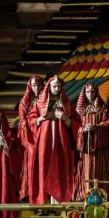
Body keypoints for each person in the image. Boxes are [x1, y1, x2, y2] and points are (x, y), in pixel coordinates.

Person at [31, 75, 78, 204]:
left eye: (59, 86)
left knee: (59, 168)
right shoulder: (40, 102)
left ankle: (57, 201)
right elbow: (31, 119)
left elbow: (75, 123)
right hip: (44, 141)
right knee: (44, 168)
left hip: (61, 141)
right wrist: (40, 119)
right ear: (49, 87)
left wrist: (64, 118)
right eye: (54, 86)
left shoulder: (66, 103)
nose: (57, 89)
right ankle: (43, 202)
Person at [74, 83, 109, 198]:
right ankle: (83, 195)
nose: (90, 94)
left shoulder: (102, 108)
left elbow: (107, 123)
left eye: (93, 92)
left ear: (96, 93)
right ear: (84, 93)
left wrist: (95, 127)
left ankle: (100, 196)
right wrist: (83, 129)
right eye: (88, 92)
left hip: (98, 148)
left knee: (98, 171)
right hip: (84, 148)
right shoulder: (78, 110)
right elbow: (75, 126)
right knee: (85, 171)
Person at [15, 76, 43, 202]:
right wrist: (31, 123)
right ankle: (28, 192)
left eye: (38, 85)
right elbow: (22, 120)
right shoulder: (25, 101)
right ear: (30, 86)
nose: (36, 88)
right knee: (30, 164)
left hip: (43, 134)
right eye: (34, 85)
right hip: (30, 137)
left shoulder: (45, 98)